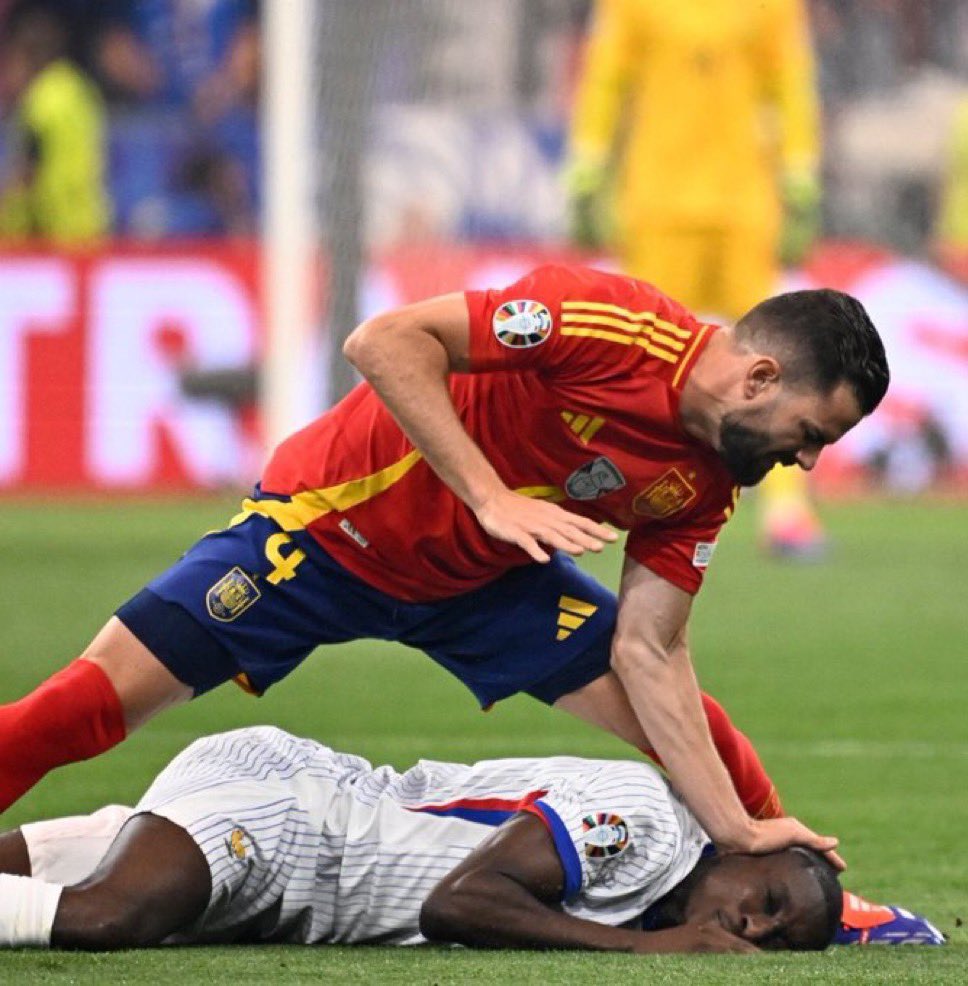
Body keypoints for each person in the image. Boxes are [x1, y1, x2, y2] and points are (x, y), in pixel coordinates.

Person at [0, 264, 890, 875]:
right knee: (85, 710)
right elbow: (382, 341)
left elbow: (651, 652)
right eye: (811, 435)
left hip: (485, 584)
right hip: (325, 532)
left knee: (697, 726)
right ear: (760, 377)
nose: (808, 465)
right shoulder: (605, 325)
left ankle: (804, 880)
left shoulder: (708, 482)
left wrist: (738, 828)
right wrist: (490, 495)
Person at [0, 725, 846, 952]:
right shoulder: (646, 818)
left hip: (291, 889)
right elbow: (459, 902)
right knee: (106, 920)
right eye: (768, 901)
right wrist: (648, 958)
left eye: (778, 940)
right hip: (297, 818)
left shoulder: (661, 901)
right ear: (742, 848)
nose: (755, 927)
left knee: (38, 883)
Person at [564, 0, 828, 559]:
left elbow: (791, 82)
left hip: (743, 206)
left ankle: (785, 509)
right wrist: (587, 165)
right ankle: (615, 494)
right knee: (639, 361)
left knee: (779, 356)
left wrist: (800, 176)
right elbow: (606, 77)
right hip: (658, 205)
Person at [0, 3, 111, 243]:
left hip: (51, 232)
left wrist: (8, 226)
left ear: (25, 56)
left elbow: (27, 175)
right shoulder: (79, 88)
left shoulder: (40, 102)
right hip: (86, 226)